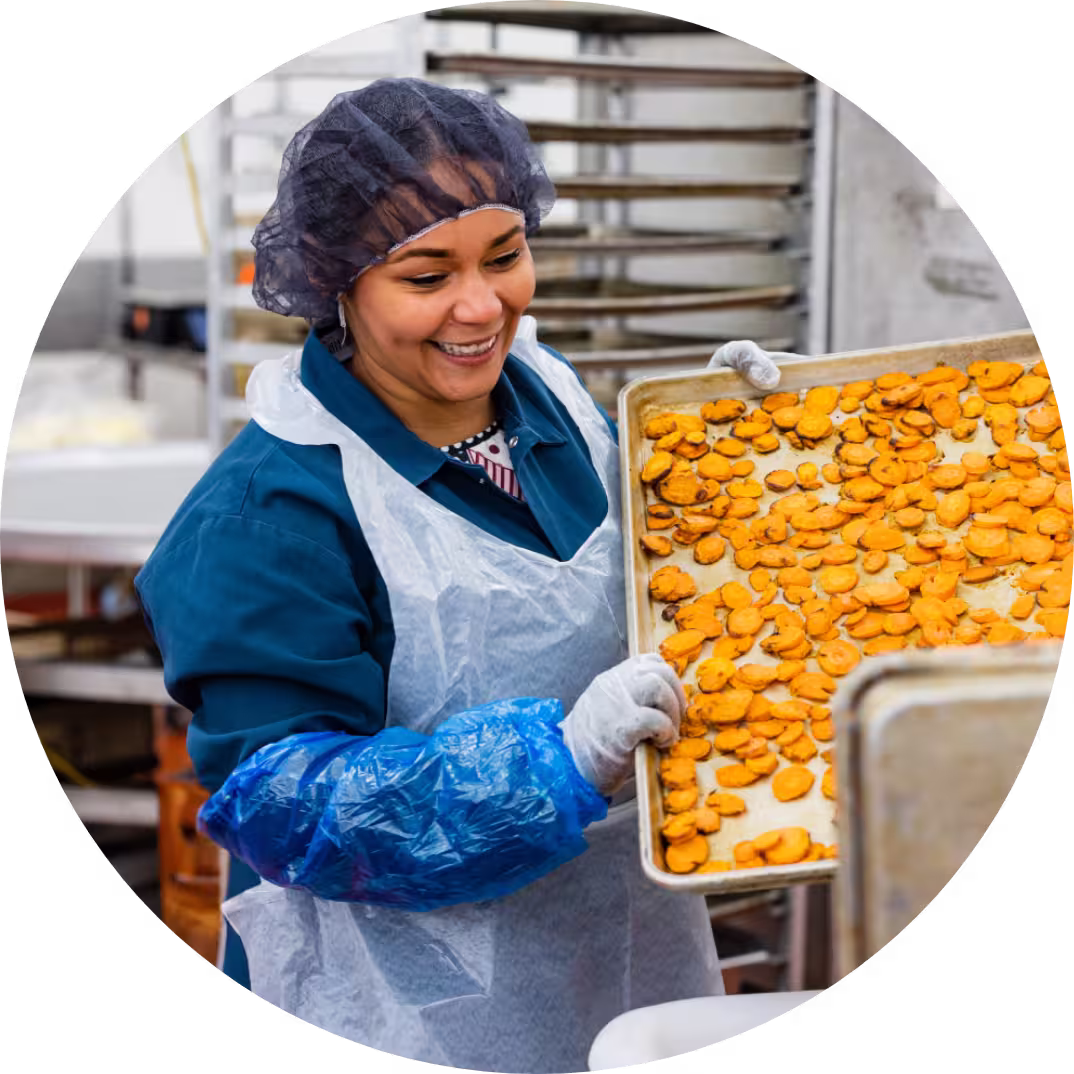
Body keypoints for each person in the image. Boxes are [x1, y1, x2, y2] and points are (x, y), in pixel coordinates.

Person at [134, 78, 796, 1073]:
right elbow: (289, 811)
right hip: (409, 1005)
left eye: (505, 255)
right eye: (426, 274)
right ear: (335, 281)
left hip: (620, 943)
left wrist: (739, 450)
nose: (483, 307)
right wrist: (559, 762)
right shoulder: (268, 515)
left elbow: (647, 576)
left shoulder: (545, 394)